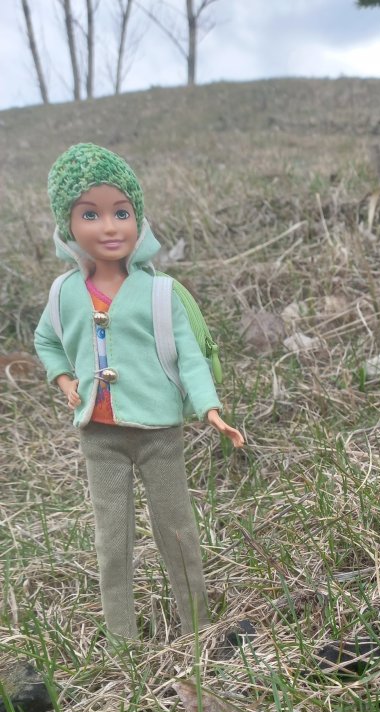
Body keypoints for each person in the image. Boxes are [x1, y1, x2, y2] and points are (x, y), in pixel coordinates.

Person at [33, 142, 244, 642]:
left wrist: (209, 406)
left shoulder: (159, 291)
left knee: (177, 529)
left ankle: (197, 627)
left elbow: (189, 355)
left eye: (121, 212)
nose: (109, 227)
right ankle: (122, 639)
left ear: (138, 220)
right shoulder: (64, 293)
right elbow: (46, 340)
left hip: (157, 432)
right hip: (99, 435)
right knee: (112, 538)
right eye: (91, 213)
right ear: (68, 227)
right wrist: (65, 381)